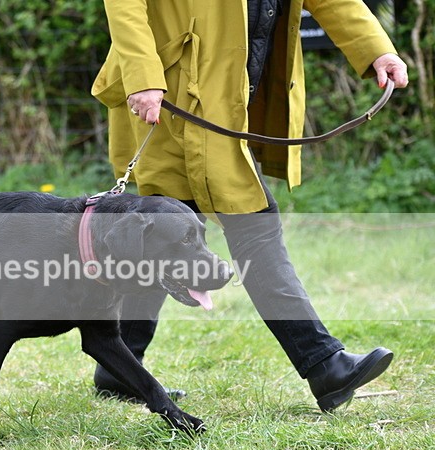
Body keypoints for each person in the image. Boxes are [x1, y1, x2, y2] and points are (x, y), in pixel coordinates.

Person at [91, 0, 409, 412]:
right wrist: (142, 76)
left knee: (163, 239)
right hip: (169, 94)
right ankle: (323, 363)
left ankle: (119, 366)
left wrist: (375, 48)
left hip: (224, 96)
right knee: (254, 225)